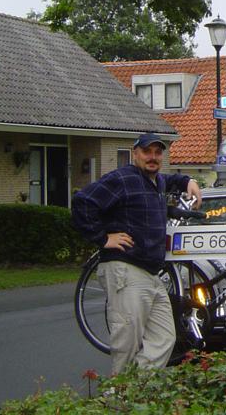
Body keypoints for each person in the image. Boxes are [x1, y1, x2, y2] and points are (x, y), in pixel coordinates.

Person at [71, 133, 202, 374]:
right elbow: (83, 202)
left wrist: (188, 181)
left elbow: (170, 180)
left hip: (151, 273)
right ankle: (120, 392)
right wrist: (103, 238)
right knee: (127, 344)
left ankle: (137, 387)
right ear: (135, 154)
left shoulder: (156, 182)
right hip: (126, 269)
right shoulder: (122, 179)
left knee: (164, 338)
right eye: (147, 151)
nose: (152, 157)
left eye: (157, 152)